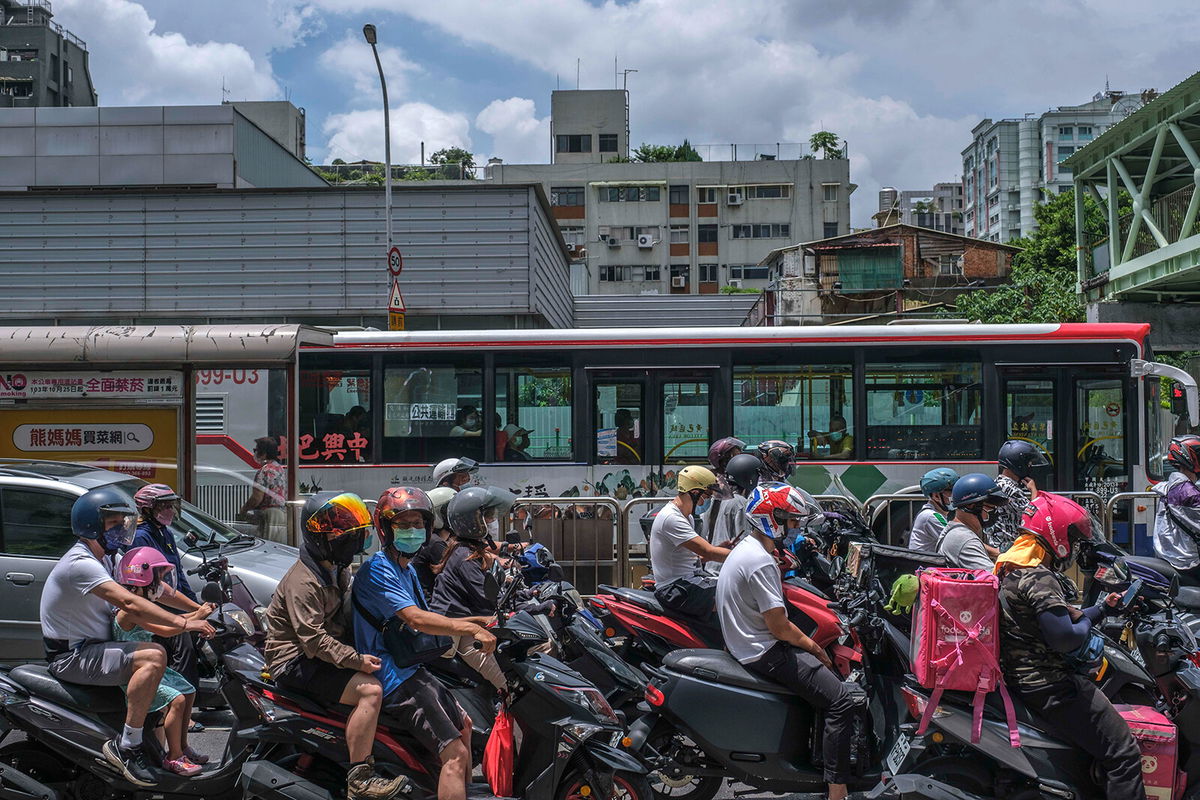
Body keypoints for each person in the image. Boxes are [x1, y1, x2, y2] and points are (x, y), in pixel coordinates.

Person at [40, 486, 215, 787]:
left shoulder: (108, 557)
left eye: (124, 521)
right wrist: (184, 624)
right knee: (153, 655)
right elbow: (131, 601)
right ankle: (128, 746)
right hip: (72, 656)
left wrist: (197, 608)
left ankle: (168, 747)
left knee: (170, 673)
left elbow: (157, 588)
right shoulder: (81, 563)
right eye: (113, 523)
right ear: (91, 524)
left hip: (97, 647)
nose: (121, 529)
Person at [996, 493, 1145, 799]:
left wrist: (1103, 609)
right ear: (1057, 536)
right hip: (1052, 686)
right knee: (1124, 754)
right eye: (1073, 540)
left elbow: (1057, 620)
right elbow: (1066, 637)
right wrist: (1088, 623)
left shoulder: (1015, 568)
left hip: (1025, 681)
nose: (1075, 549)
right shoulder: (1039, 577)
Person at [354, 487, 496, 800]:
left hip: (413, 668)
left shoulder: (405, 570)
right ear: (386, 530)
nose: (413, 531)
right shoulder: (379, 568)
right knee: (456, 756)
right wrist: (468, 628)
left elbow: (429, 616)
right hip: (393, 676)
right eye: (403, 525)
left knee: (466, 725)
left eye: (418, 524)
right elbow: (416, 619)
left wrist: (480, 623)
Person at [720, 483, 861, 800]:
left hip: (749, 642)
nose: (796, 526)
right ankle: (838, 790)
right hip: (764, 650)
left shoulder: (752, 549)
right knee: (840, 701)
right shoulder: (760, 561)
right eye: (791, 520)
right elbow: (780, 628)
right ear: (772, 519)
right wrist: (814, 649)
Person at [263, 492, 405, 800]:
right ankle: (361, 778)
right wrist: (356, 660)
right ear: (320, 538)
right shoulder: (304, 581)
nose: (353, 542)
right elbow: (312, 639)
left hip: (320, 654)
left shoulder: (336, 567)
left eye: (355, 535)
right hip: (294, 660)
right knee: (370, 690)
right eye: (344, 536)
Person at [129, 483, 211, 756]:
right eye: (162, 506)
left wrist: (196, 607)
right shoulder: (142, 537)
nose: (168, 511)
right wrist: (190, 618)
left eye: (170, 505)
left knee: (188, 682)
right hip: (161, 611)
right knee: (180, 670)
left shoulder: (163, 533)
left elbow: (173, 580)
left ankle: (183, 744)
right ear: (147, 509)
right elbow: (157, 589)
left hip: (175, 607)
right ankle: (172, 750)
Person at [112, 548, 207, 776]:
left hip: (152, 666)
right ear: (142, 579)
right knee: (177, 699)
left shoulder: (141, 603)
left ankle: (183, 746)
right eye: (159, 578)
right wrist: (196, 618)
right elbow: (165, 629)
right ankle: (173, 756)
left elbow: (176, 620)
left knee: (189, 690)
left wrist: (199, 613)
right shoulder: (131, 609)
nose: (161, 584)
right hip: (136, 673)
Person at [430, 486, 516, 692]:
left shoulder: (468, 550)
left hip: (472, 624)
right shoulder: (463, 556)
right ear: (472, 522)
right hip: (460, 635)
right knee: (512, 687)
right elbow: (487, 599)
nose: (492, 521)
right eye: (487, 517)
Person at [650, 466, 732, 617]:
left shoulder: (685, 517)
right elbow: (707, 551)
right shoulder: (672, 518)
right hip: (676, 589)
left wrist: (721, 548)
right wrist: (745, 557)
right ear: (695, 492)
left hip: (689, 582)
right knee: (737, 598)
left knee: (736, 586)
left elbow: (693, 559)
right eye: (706, 496)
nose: (706, 500)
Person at [1151, 435, 1200, 578]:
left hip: (1172, 554)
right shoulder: (1186, 492)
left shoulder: (1173, 486)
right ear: (1188, 456)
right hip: (1186, 560)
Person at [935, 473, 1007, 570]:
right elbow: (994, 579)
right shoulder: (964, 539)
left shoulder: (953, 530)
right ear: (971, 506)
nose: (994, 512)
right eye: (991, 507)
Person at [987, 440, 1047, 552]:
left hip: (1003, 544)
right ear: (1018, 464)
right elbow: (1034, 515)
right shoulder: (1009, 488)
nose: (1030, 466)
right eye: (1028, 463)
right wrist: (1034, 490)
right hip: (1010, 548)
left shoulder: (1000, 483)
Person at [238, 436, 287, 542]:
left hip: (268, 516)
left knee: (268, 547)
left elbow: (257, 498)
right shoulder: (280, 469)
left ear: (264, 453)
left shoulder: (264, 471)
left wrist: (244, 509)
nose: (255, 453)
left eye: (256, 450)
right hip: (281, 515)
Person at [410, 487, 457, 598]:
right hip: (432, 604)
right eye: (450, 513)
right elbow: (459, 573)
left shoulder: (431, 539)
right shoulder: (435, 544)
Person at [705, 453, 761, 545]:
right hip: (729, 557)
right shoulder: (740, 503)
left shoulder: (717, 499)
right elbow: (744, 541)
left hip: (713, 556)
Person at [908, 468, 959, 552]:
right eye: (952, 491)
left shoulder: (936, 513)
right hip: (926, 564)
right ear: (936, 496)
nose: (956, 495)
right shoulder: (931, 516)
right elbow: (961, 542)